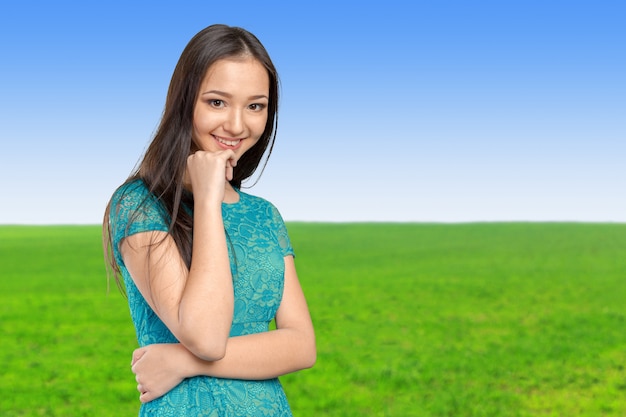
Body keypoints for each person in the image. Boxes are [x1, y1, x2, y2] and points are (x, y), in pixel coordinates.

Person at [103, 24, 316, 416]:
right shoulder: (137, 206)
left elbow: (301, 345)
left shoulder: (264, 216)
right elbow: (206, 336)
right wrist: (206, 199)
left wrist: (181, 361)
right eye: (217, 102)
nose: (237, 125)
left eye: (255, 106)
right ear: (184, 102)